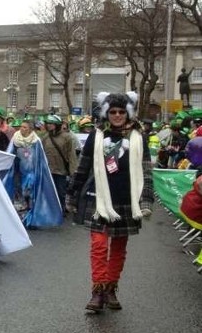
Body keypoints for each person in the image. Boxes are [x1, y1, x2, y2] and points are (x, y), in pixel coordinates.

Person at [65, 92, 153, 313]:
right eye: (112, 111)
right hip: (99, 199)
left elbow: (146, 172)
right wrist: (72, 193)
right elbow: (83, 167)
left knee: (118, 248)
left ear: (128, 113)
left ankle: (111, 288)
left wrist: (147, 201)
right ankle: (97, 290)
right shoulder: (96, 136)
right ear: (106, 113)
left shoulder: (139, 137)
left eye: (121, 111)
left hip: (126, 200)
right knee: (98, 245)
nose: (116, 115)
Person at [42, 114, 78, 207]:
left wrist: (72, 171)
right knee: (48, 192)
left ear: (57, 125)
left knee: (61, 192)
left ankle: (61, 209)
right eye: (48, 123)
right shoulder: (45, 137)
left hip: (61, 171)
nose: (49, 125)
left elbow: (71, 155)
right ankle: (50, 210)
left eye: (51, 123)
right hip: (48, 170)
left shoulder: (67, 137)